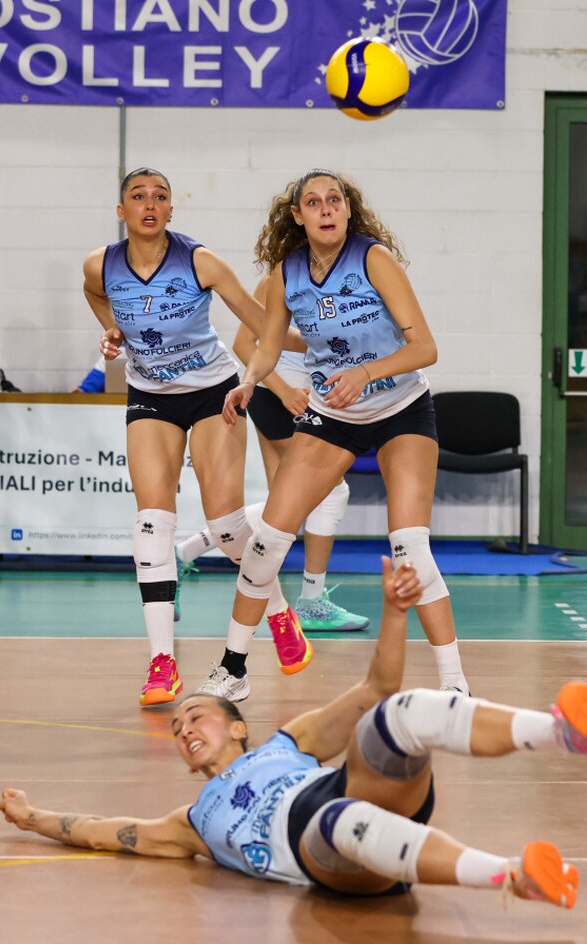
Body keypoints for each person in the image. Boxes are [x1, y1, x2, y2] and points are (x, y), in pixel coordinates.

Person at [0, 558, 587, 907]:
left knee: (400, 713)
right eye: (179, 727)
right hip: (326, 853)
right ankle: (513, 876)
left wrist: (394, 611)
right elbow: (103, 832)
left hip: (354, 793)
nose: (185, 727)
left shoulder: (288, 743)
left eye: (197, 714)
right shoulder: (192, 822)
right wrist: (32, 817)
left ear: (238, 727)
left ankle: (566, 734)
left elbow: (376, 689)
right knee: (338, 822)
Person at [205, 169, 467, 701]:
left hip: (400, 407)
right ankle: (233, 669)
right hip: (333, 414)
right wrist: (250, 381)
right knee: (268, 540)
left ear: (348, 209)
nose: (326, 209)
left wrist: (366, 373)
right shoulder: (286, 273)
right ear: (297, 215)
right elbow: (267, 344)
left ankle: (455, 683)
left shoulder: (374, 259)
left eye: (334, 200)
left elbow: (425, 348)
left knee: (410, 546)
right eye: (313, 202)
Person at [85, 167, 308, 707]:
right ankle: (162, 662)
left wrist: (316, 351)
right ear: (121, 210)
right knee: (150, 522)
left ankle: (279, 611)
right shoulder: (100, 265)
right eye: (138, 196)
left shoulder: (200, 262)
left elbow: (263, 325)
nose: (149, 204)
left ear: (170, 209)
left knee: (227, 530)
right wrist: (112, 328)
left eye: (159, 196)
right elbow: (94, 294)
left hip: (213, 392)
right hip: (150, 396)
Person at [173, 272, 370, 635]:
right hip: (283, 397)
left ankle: (185, 552)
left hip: (307, 398)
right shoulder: (278, 278)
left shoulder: (344, 276)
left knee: (285, 502)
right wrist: (283, 392)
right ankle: (312, 602)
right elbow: (244, 344)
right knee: (330, 491)